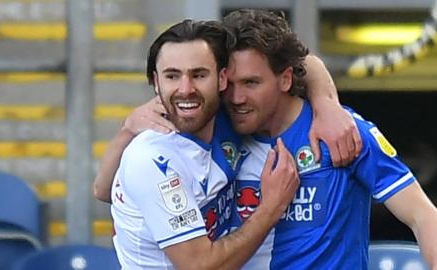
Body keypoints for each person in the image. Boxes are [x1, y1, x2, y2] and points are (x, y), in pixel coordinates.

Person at [220, 9, 437, 269]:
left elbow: (423, 216)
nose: (236, 97)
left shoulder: (344, 132)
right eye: (228, 85)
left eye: (250, 83)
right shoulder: (213, 134)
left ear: (285, 79)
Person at [110, 19, 301, 269]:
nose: (185, 89)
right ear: (156, 83)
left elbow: (295, 62)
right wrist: (272, 207)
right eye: (172, 76)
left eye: (199, 75)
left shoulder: (226, 118)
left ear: (222, 79)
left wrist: (327, 104)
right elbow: (201, 266)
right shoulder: (150, 158)